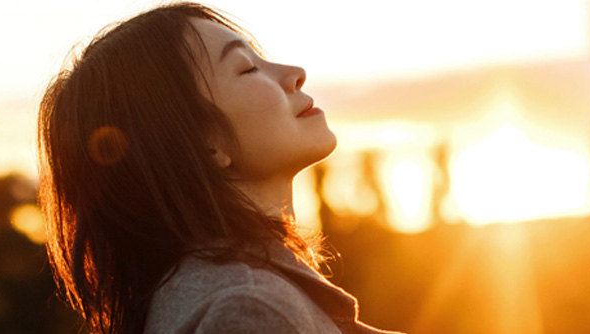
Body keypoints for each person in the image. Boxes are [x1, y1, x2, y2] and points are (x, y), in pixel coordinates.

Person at [37, 2, 403, 334]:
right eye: (247, 68)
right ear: (204, 143)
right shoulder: (251, 310)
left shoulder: (202, 292)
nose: (295, 72)